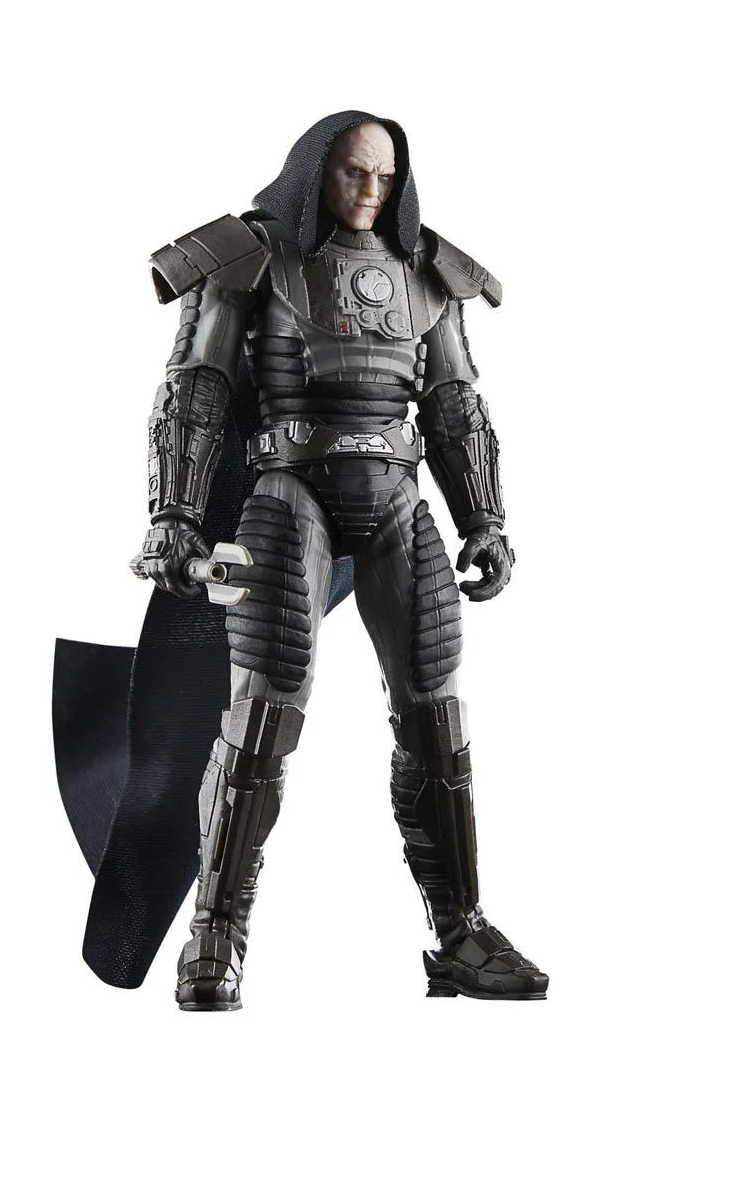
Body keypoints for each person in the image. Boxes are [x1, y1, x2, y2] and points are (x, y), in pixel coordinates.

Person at [133, 110, 548, 1009]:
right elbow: (196, 388)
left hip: (397, 496)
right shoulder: (251, 255)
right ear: (315, 170)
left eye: (386, 177)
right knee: (264, 712)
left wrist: (485, 519)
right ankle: (215, 931)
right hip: (291, 493)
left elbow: (455, 405)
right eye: (355, 173)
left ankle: (460, 932)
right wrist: (173, 515)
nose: (371, 191)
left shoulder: (427, 269)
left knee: (437, 712)